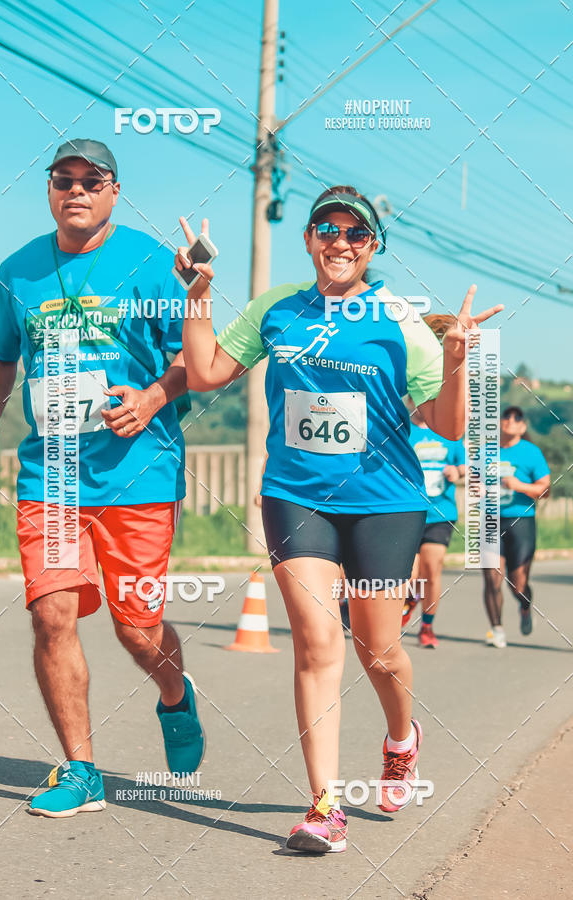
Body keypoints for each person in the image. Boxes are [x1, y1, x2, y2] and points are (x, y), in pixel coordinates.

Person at [177, 184, 502, 853]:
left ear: (373, 246)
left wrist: (455, 360)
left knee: (377, 649)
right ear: (309, 240)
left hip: (385, 503)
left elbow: (444, 424)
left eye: (356, 233)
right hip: (295, 497)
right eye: (327, 229)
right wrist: (199, 294)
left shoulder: (400, 320)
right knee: (317, 645)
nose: (341, 242)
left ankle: (402, 740)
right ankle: (324, 807)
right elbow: (207, 372)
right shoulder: (278, 309)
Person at [0, 139, 204, 817]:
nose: (76, 190)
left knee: (139, 629)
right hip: (52, 479)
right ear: (49, 189)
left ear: (113, 189)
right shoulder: (17, 272)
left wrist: (153, 398)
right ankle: (81, 769)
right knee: (52, 615)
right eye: (62, 179)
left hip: (140, 476)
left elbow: (195, 359)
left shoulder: (151, 264)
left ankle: (174, 694)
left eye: (91, 180)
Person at [403, 386, 466, 648]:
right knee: (409, 574)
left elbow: (465, 464)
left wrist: (457, 472)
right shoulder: (403, 429)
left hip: (441, 513)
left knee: (431, 569)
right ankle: (410, 600)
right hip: (408, 512)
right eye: (415, 398)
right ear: (410, 401)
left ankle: (427, 626)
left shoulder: (448, 431)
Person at [482, 406, 550, 648]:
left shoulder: (531, 453)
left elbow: (545, 490)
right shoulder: (486, 451)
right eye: (506, 416)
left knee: (517, 583)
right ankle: (496, 629)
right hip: (490, 520)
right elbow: (472, 480)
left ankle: (524, 605)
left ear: (523, 426)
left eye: (517, 418)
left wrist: (519, 485)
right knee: (492, 578)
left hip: (520, 521)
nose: (510, 420)